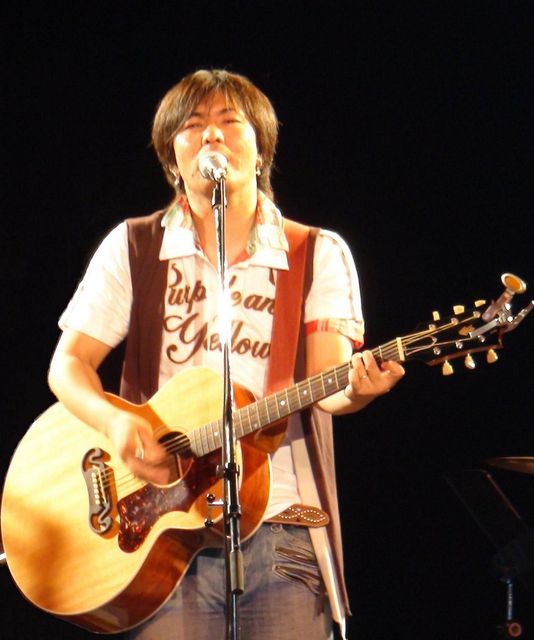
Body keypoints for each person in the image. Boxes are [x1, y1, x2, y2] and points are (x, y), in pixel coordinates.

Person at [48, 69, 405, 640]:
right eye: (192, 125)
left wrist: (357, 389)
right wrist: (116, 423)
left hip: (282, 528)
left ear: (261, 149)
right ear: (172, 157)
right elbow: (68, 366)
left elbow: (330, 385)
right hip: (161, 528)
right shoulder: (134, 245)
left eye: (228, 121)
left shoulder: (317, 252)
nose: (211, 135)